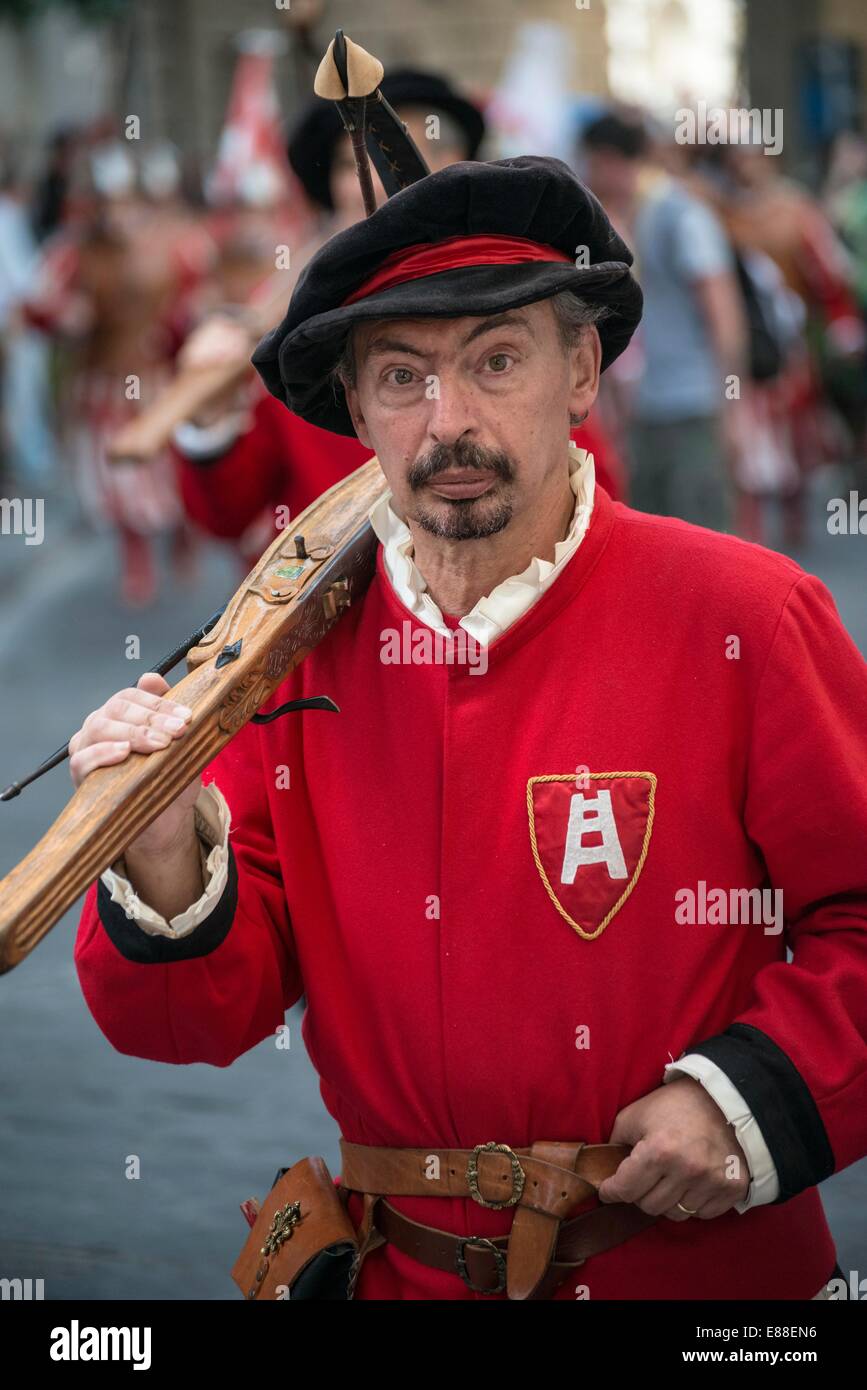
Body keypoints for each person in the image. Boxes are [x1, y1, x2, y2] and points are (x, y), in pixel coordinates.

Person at [71, 154, 867, 1301]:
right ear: (356, 408)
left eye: (496, 363)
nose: (451, 422)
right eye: (403, 378)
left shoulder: (747, 616)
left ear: (581, 368)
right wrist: (162, 852)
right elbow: (195, 1018)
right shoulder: (284, 664)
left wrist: (745, 1095)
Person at [581, 112, 748, 532]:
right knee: (654, 541)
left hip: (694, 406)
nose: (589, 174)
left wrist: (734, 408)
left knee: (707, 542)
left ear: (610, 160)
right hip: (647, 412)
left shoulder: (680, 214)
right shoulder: (625, 218)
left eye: (593, 163)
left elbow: (724, 314)